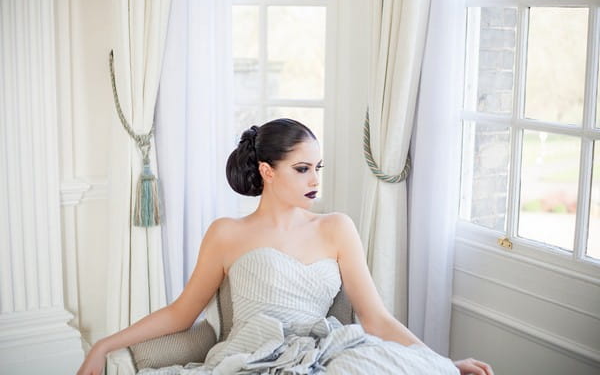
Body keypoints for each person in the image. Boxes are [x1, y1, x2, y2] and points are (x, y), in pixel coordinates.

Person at [78, 118, 494, 375]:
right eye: (302, 169)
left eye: (318, 168)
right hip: (249, 357)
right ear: (267, 171)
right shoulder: (226, 233)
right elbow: (181, 313)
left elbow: (377, 319)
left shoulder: (337, 228)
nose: (315, 180)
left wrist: (441, 366)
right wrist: (103, 344)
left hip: (324, 354)